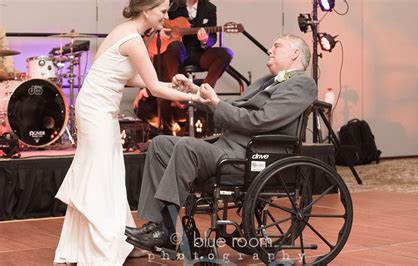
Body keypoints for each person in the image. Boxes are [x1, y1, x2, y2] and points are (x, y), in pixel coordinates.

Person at [125, 34, 317, 253]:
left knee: (186, 147)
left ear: (295, 54)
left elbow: (260, 120)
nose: (269, 50)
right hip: (228, 148)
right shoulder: (266, 81)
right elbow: (232, 108)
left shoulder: (302, 83)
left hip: (252, 156)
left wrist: (216, 103)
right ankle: (162, 228)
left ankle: (164, 231)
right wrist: (193, 90)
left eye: (277, 46)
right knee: (160, 144)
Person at [53, 0, 208, 265]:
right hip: (97, 110)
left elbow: (129, 78)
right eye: (162, 11)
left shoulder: (124, 31)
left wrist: (174, 84)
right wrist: (199, 98)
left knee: (108, 172)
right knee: (100, 173)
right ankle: (101, 247)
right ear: (146, 10)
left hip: (99, 108)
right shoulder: (133, 40)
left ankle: (111, 241)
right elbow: (153, 89)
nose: (166, 16)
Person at [135, 0, 233, 135]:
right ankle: (176, 88)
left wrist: (205, 40)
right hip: (175, 52)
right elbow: (158, 22)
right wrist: (161, 31)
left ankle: (204, 91)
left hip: (199, 53)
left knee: (226, 53)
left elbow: (213, 37)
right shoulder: (173, 5)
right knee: (175, 47)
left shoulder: (209, 8)